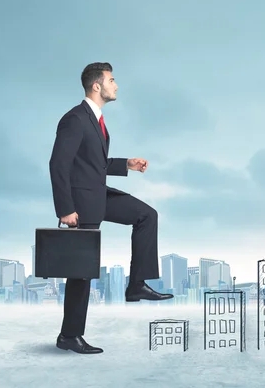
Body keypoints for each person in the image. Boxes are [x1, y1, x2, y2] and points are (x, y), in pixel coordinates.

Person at [49, 62, 173, 354]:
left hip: (99, 196)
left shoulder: (97, 121)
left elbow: (94, 164)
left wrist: (126, 164)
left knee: (146, 215)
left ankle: (136, 284)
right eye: (112, 80)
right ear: (97, 86)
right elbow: (58, 164)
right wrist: (65, 209)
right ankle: (69, 336)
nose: (116, 85)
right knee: (81, 273)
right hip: (81, 204)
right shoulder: (75, 119)